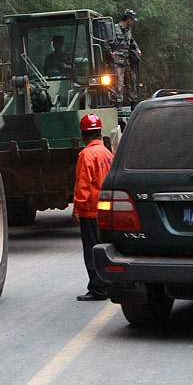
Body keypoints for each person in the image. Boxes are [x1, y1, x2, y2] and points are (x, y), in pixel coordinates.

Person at [72, 113, 114, 301]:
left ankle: (98, 289)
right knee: (104, 247)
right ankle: (109, 285)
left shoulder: (86, 154)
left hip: (90, 211)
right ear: (99, 132)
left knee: (91, 250)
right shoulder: (106, 152)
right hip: (105, 210)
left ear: (83, 135)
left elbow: (84, 184)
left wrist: (78, 208)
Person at [110, 9, 141, 108]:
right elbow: (108, 42)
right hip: (118, 60)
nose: (133, 22)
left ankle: (133, 103)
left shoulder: (128, 30)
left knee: (131, 82)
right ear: (128, 20)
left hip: (128, 60)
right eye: (132, 20)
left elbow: (132, 41)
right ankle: (118, 104)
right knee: (118, 83)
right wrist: (110, 52)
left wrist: (137, 50)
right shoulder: (115, 28)